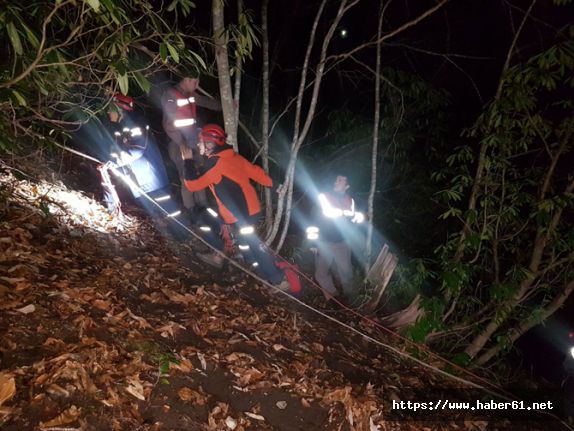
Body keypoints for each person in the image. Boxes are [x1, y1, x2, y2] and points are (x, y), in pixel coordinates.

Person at [181, 123, 290, 291]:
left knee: (254, 244)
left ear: (210, 144)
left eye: (201, 141)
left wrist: (187, 162)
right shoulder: (233, 157)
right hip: (251, 209)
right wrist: (274, 185)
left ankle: (279, 281)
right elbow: (255, 172)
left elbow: (192, 185)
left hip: (240, 214)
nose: (198, 145)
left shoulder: (214, 164)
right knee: (246, 241)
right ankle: (250, 263)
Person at [102, 94, 190, 238]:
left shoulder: (135, 124)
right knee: (154, 212)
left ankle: (184, 237)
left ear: (120, 109)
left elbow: (137, 149)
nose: (108, 112)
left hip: (152, 179)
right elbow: (118, 149)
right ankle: (168, 240)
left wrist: (114, 162)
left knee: (169, 210)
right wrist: (109, 159)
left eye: (111, 109)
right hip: (140, 179)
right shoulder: (121, 126)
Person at [161, 77, 221, 221]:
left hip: (193, 142)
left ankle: (203, 206)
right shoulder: (170, 95)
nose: (197, 85)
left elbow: (207, 102)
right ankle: (191, 210)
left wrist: (225, 105)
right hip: (178, 144)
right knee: (186, 177)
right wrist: (181, 143)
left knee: (199, 173)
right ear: (186, 80)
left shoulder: (190, 95)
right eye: (195, 82)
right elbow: (168, 125)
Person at [306, 174, 365, 300]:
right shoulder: (324, 197)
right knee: (320, 274)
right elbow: (313, 221)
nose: (336, 182)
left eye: (340, 180)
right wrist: (313, 244)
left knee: (346, 273)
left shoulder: (350, 201)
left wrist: (357, 221)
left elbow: (353, 220)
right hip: (324, 243)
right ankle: (333, 298)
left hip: (342, 244)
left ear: (347, 186)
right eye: (336, 179)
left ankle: (351, 298)